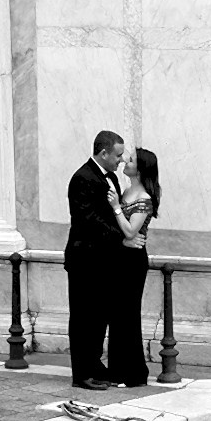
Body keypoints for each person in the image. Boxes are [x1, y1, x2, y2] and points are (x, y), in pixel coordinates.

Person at [64, 131, 125, 389]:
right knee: (83, 318)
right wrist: (121, 236)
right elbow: (88, 219)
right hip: (84, 260)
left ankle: (94, 365)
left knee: (99, 316)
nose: (121, 161)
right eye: (118, 155)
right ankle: (82, 374)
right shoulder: (82, 178)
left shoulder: (109, 177)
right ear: (104, 153)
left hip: (102, 260)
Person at [107, 147, 159, 387]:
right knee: (116, 314)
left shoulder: (144, 198)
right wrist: (122, 239)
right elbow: (123, 233)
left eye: (131, 160)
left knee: (128, 314)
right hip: (119, 257)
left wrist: (117, 207)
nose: (125, 161)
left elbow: (130, 230)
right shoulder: (126, 190)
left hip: (133, 261)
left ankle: (135, 373)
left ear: (141, 168)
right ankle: (117, 370)